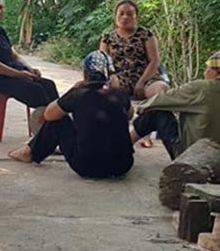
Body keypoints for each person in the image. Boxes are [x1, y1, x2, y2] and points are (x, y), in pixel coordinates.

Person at [8, 51, 134, 179]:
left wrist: (72, 90)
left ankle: (30, 152)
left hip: (87, 167)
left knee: (59, 120)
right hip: (122, 166)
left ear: (85, 73)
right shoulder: (120, 95)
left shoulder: (78, 94)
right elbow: (129, 115)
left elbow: (48, 115)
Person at [131, 48, 220, 160]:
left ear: (215, 70)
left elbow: (161, 100)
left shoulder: (201, 88)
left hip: (190, 156)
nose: (205, 72)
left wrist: (139, 108)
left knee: (157, 112)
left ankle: (127, 144)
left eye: (207, 68)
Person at [100, 0, 170, 147]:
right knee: (110, 92)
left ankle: (145, 133)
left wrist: (142, 82)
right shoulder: (107, 38)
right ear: (115, 16)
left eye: (130, 14)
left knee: (161, 90)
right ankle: (121, 132)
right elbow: (103, 63)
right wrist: (112, 77)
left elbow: (154, 61)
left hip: (146, 77)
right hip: (119, 78)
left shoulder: (146, 35)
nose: (125, 17)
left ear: (136, 16)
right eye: (121, 14)